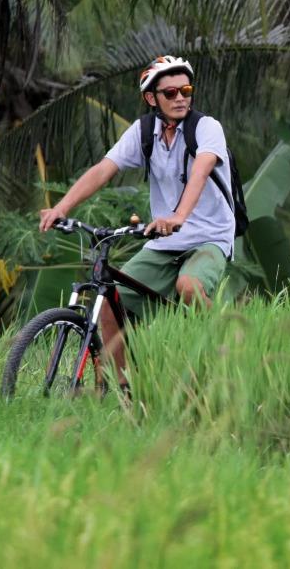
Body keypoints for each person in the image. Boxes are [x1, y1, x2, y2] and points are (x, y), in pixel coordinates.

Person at [38, 55, 234, 377]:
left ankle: (229, 343)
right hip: (164, 240)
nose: (180, 98)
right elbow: (103, 170)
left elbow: (200, 172)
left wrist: (178, 216)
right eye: (170, 93)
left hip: (209, 237)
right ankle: (125, 388)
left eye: (185, 90)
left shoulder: (206, 128)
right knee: (110, 303)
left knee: (188, 286)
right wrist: (61, 207)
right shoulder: (144, 131)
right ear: (151, 98)